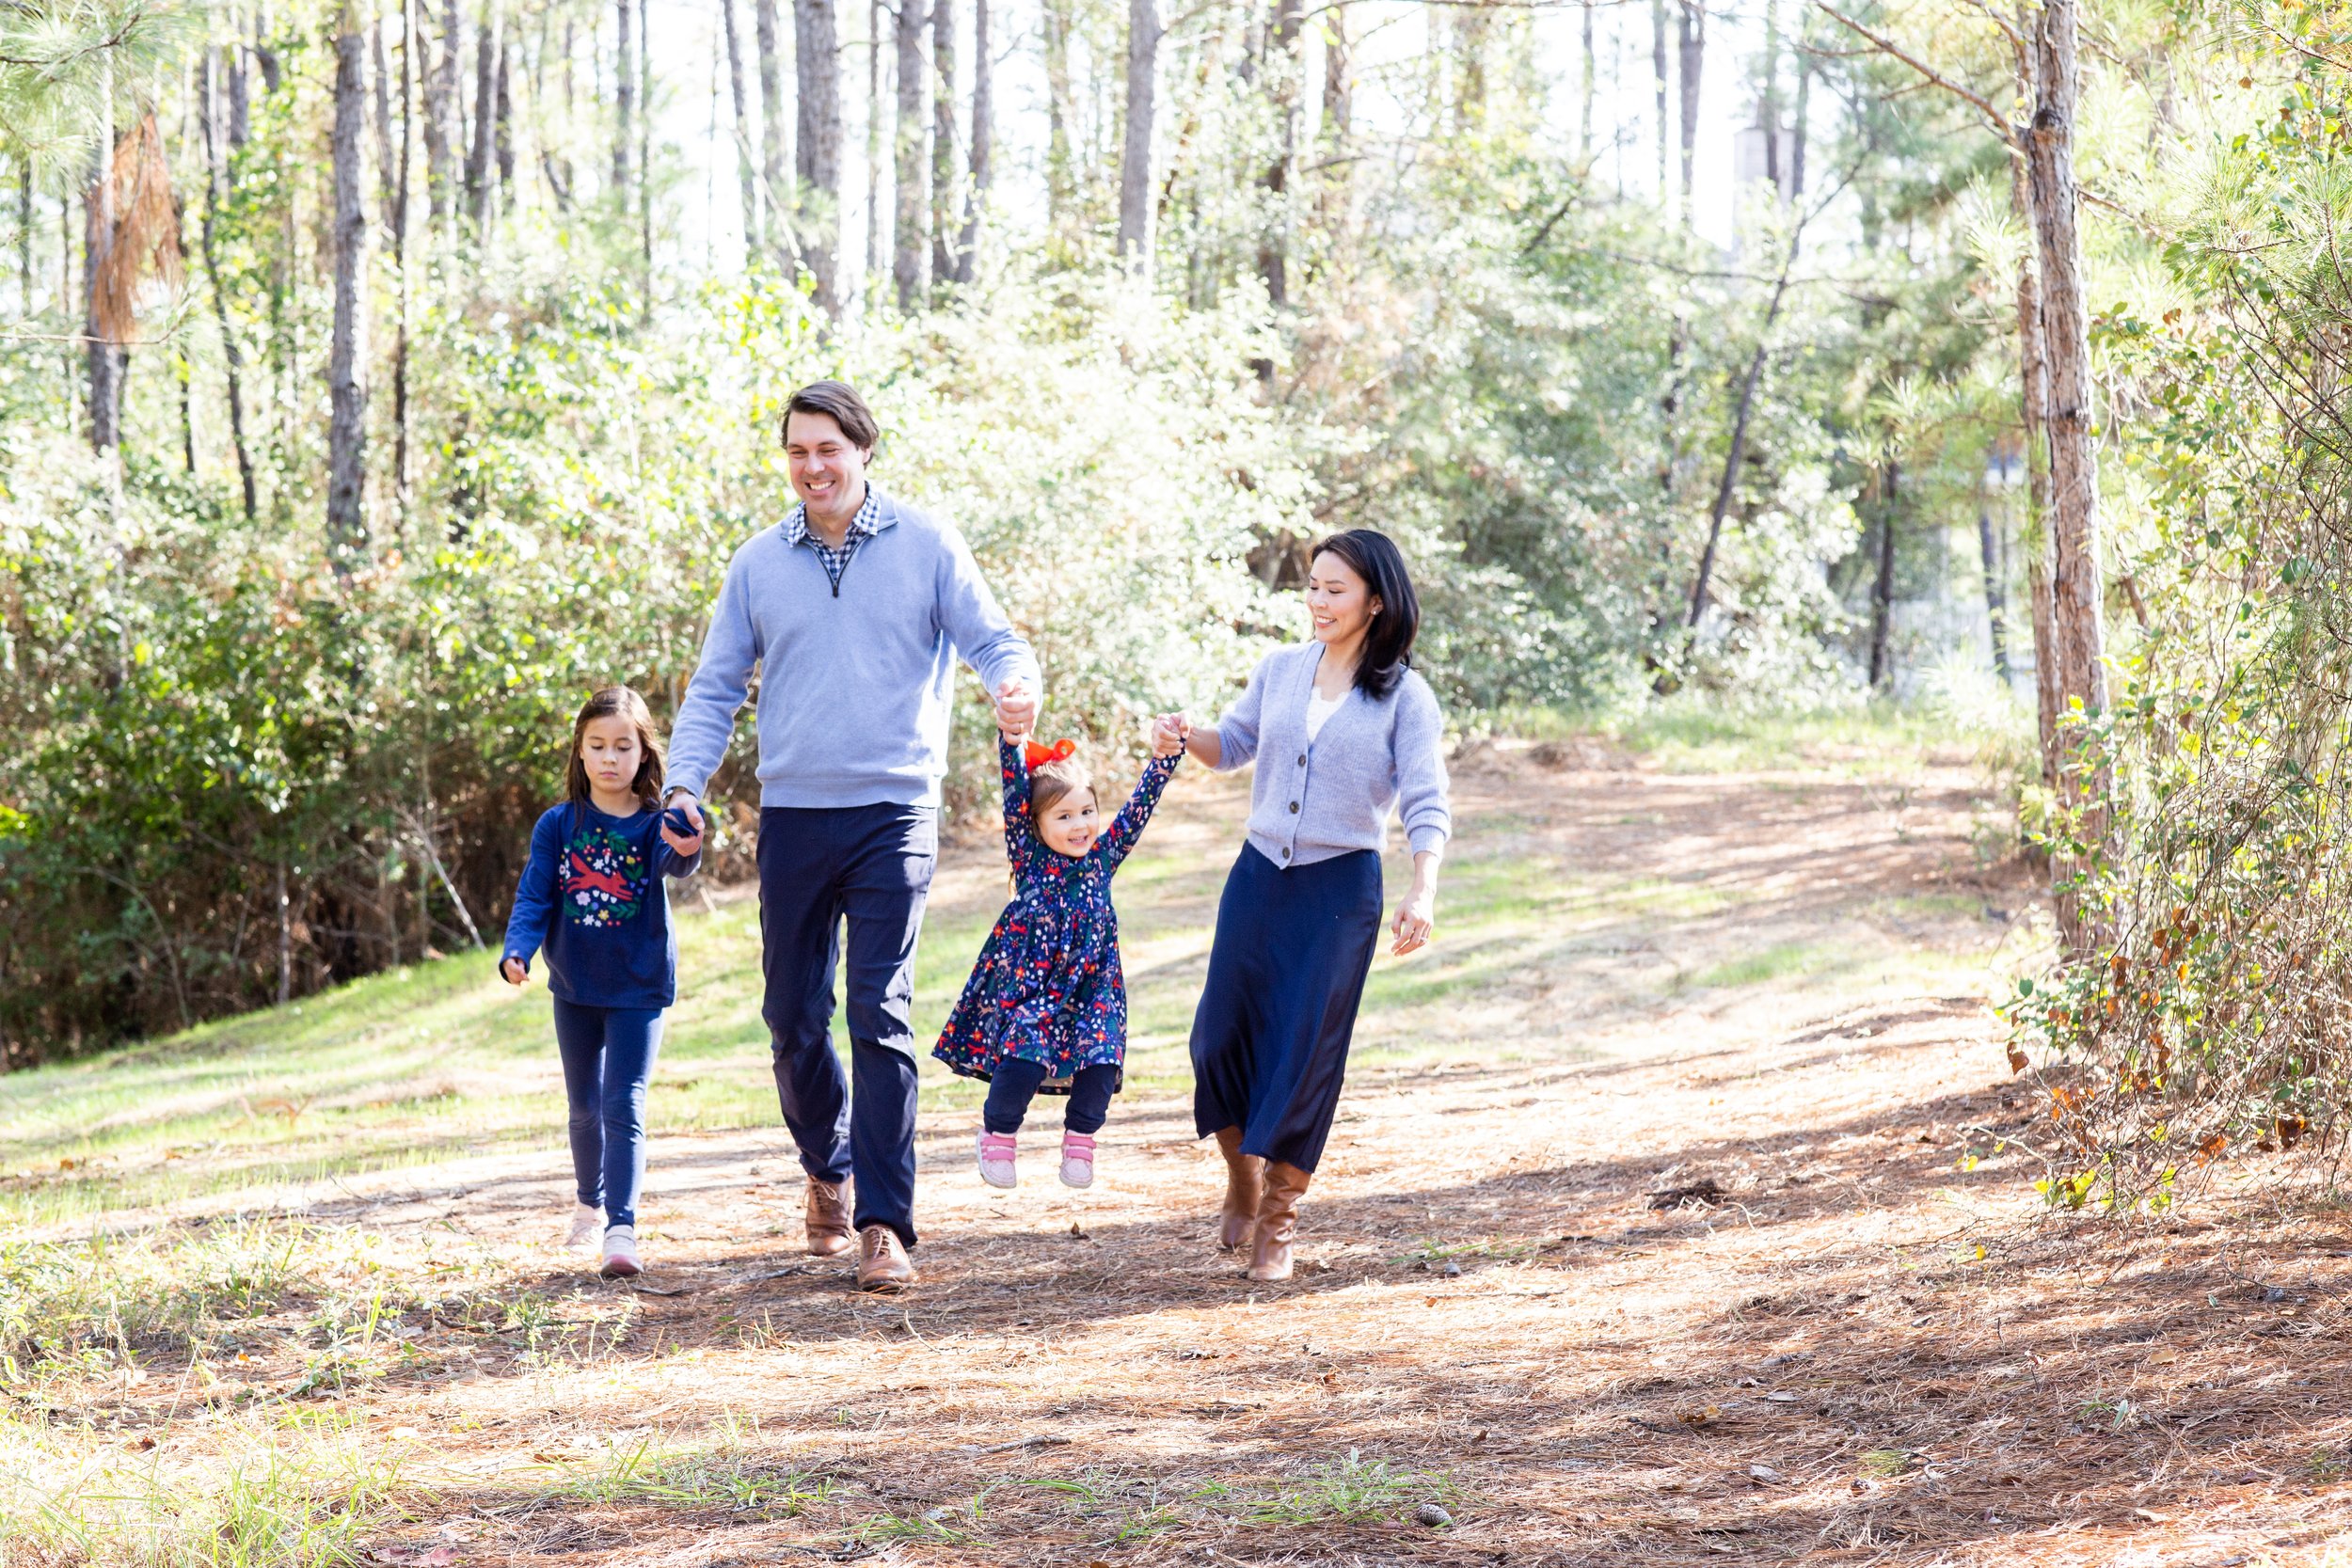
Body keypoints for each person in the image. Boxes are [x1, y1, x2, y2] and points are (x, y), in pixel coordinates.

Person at [664, 380, 1041, 1292]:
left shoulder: (926, 542)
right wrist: (683, 781)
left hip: (892, 810)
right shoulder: (757, 562)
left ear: (864, 450)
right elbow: (716, 686)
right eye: (796, 451)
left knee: (878, 1009)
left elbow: (993, 640)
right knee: (792, 1018)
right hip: (794, 813)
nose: (812, 466)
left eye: (827, 448)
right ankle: (826, 1164)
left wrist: (1015, 683)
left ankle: (883, 1220)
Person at [1184, 530, 1452, 1283]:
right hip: (1259, 874)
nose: (1319, 601)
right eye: (1313, 586)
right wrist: (1184, 737)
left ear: (1376, 598)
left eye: (1336, 589)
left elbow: (1427, 798)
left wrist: (1422, 884)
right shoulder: (1279, 669)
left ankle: (1278, 1217)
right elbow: (1232, 744)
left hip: (1340, 889)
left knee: (1306, 1050)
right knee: (1215, 1038)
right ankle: (1241, 1171)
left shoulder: (1406, 695)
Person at [499, 686, 705, 1279]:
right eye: (598, 746)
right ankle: (588, 1207)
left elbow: (680, 859)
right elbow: (536, 893)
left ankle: (622, 1227)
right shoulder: (558, 825)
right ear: (580, 753)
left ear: (643, 755)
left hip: (639, 986)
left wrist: (688, 846)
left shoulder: (652, 824)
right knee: (584, 1108)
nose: (610, 757)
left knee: (623, 1103)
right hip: (575, 985)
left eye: (623, 746)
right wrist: (518, 949)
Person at [932, 718, 1187, 1191]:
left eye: (1087, 812)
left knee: (1103, 1056)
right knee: (1025, 1052)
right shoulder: (1029, 858)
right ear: (1036, 823)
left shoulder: (1103, 858)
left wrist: (1166, 756)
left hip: (1094, 988)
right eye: (1064, 816)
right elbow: (1012, 793)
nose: (1080, 825)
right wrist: (1012, 743)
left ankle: (1080, 1139)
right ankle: (998, 1133)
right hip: (1034, 988)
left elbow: (1140, 806)